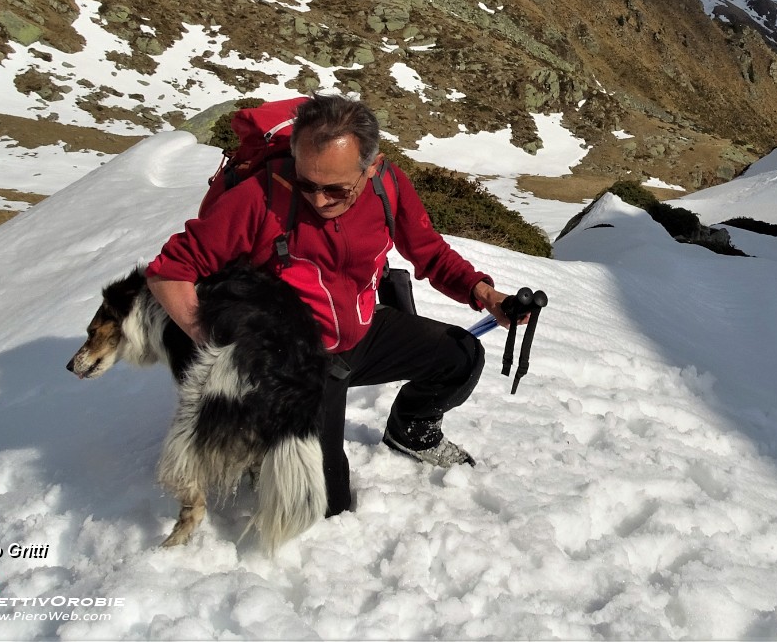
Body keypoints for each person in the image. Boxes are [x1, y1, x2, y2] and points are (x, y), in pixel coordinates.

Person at [146, 93, 520, 515]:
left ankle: (410, 431)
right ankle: (264, 442)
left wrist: (486, 294)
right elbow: (169, 270)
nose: (319, 201)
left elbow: (429, 252)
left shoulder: (388, 186)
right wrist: (218, 347)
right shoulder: (260, 197)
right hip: (297, 360)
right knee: (324, 503)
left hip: (360, 330)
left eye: (336, 190)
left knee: (461, 355)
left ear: (372, 166)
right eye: (307, 184)